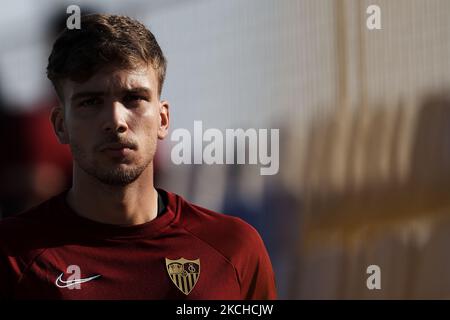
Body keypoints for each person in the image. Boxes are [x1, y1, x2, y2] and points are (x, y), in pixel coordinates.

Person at [0, 14, 276, 299]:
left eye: (134, 98)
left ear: (163, 119)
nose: (116, 120)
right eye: (91, 102)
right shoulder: (10, 257)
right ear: (61, 125)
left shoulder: (234, 250)